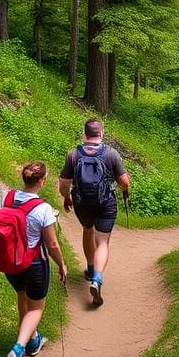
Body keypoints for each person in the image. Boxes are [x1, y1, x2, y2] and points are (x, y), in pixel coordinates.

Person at [2, 162, 68, 357]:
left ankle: (32, 341)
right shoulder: (43, 209)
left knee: (22, 295)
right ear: (42, 181)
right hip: (33, 264)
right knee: (37, 308)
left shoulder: (7, 197)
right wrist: (62, 264)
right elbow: (52, 245)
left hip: (11, 262)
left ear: (24, 178)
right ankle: (18, 349)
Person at [59, 119, 130, 306]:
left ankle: (90, 269)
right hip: (106, 202)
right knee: (103, 242)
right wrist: (124, 190)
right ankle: (97, 279)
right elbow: (124, 182)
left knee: (87, 228)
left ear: (84, 134)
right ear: (102, 133)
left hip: (82, 203)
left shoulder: (73, 154)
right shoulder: (111, 154)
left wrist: (67, 198)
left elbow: (64, 184)